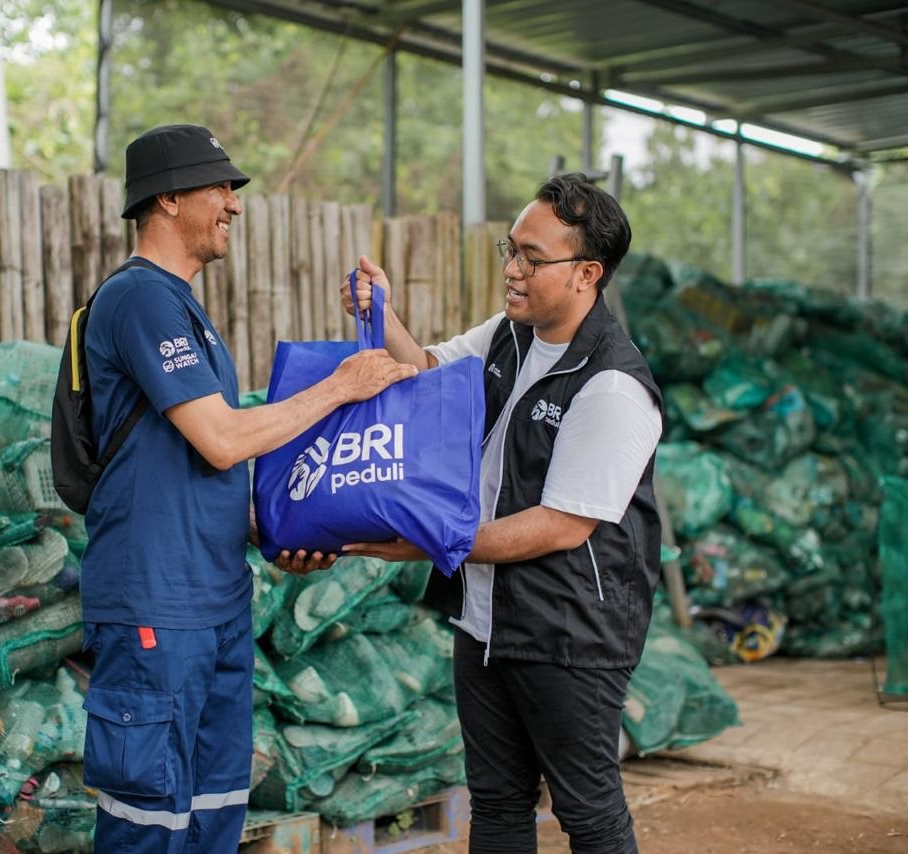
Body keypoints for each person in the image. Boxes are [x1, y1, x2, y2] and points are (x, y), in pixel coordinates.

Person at [80, 123, 416, 854]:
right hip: (155, 606)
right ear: (167, 198)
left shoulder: (188, 312)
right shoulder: (139, 299)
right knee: (149, 824)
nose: (234, 204)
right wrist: (338, 388)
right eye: (220, 187)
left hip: (216, 602)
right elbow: (225, 438)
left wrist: (283, 535)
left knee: (215, 812)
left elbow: (205, 468)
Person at [340, 173, 664, 854]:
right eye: (509, 250)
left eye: (532, 258)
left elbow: (560, 525)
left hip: (570, 631)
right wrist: (384, 314)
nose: (512, 270)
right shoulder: (509, 337)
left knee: (589, 812)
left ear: (587, 274)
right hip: (486, 621)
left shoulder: (612, 385)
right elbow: (429, 373)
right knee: (496, 804)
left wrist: (431, 542)